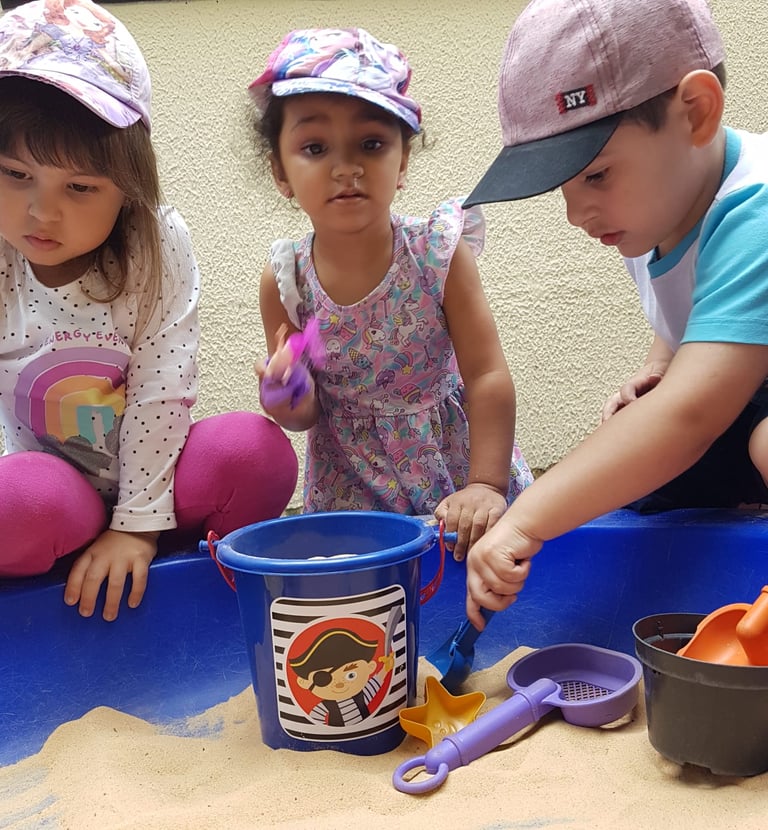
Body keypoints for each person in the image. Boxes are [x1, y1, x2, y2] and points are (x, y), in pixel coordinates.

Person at [460, 0, 768, 628]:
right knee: (642, 475)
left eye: (596, 175)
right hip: (744, 393)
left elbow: (689, 416)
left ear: (697, 112)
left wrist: (525, 519)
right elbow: (688, 307)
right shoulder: (659, 210)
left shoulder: (756, 213)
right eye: (565, 187)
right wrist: (662, 362)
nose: (577, 214)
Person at [0, 0, 298, 621]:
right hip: (61, 496)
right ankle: (72, 581)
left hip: (160, 482)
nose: (41, 212)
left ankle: (172, 575)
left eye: (79, 186)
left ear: (128, 188)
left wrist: (137, 524)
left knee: (254, 452)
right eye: (13, 173)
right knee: (21, 503)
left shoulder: (154, 240)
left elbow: (163, 385)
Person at [249, 27, 532, 559]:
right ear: (280, 172)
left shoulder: (438, 254)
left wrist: (486, 484)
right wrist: (286, 396)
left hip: (455, 475)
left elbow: (487, 375)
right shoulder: (287, 279)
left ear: (402, 162)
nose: (346, 167)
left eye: (372, 144)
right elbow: (304, 415)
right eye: (314, 148)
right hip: (350, 494)